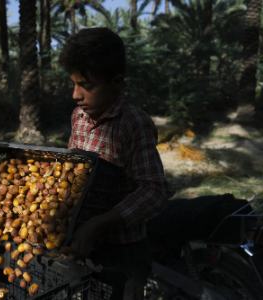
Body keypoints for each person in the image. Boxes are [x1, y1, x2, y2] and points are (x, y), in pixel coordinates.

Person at [59, 27, 171, 299]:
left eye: (87, 85)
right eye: (73, 83)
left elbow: (154, 191)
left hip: (123, 252)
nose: (76, 95)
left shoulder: (133, 123)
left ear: (117, 82)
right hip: (83, 244)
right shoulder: (79, 117)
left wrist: (100, 224)